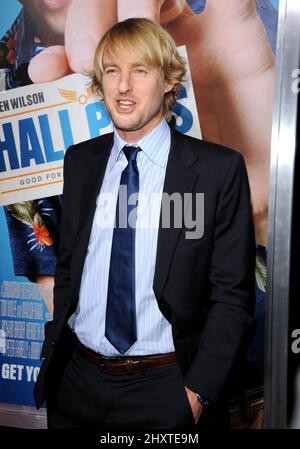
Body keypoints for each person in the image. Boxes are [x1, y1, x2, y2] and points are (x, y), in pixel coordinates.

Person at [33, 18, 256, 430]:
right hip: (75, 383)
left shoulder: (214, 171)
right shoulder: (81, 162)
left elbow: (232, 295)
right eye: (112, 71)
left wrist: (196, 394)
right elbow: (69, 268)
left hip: (167, 389)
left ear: (169, 80)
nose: (123, 87)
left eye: (140, 70)